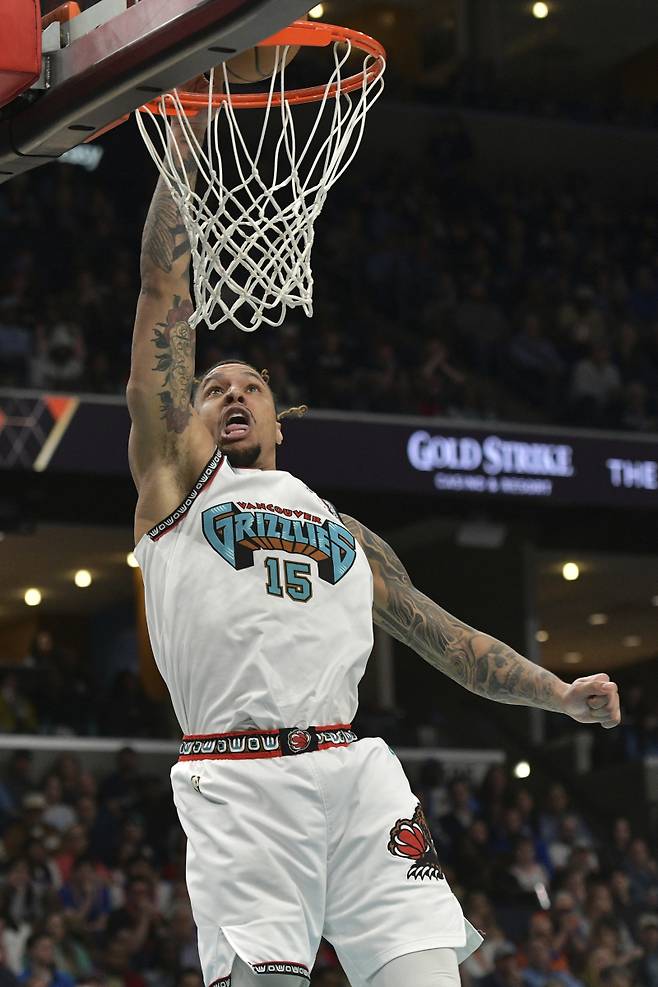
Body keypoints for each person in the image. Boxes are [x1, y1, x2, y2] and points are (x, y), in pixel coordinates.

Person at [126, 73, 622, 987]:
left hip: (356, 775)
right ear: (189, 420)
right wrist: (186, 145)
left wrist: (558, 692)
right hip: (239, 781)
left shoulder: (345, 529)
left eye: (251, 386)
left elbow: (447, 638)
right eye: (213, 387)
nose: (232, 393)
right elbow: (164, 297)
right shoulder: (178, 489)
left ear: (279, 420)